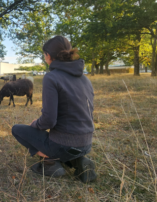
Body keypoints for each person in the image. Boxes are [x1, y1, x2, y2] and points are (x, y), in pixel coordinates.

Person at [12, 36, 97, 183]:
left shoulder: (51, 77)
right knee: (65, 146)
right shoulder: (85, 79)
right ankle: (78, 161)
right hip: (86, 143)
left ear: (48, 55)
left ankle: (51, 162)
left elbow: (49, 120)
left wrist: (35, 124)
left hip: (63, 145)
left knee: (17, 129)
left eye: (44, 55)